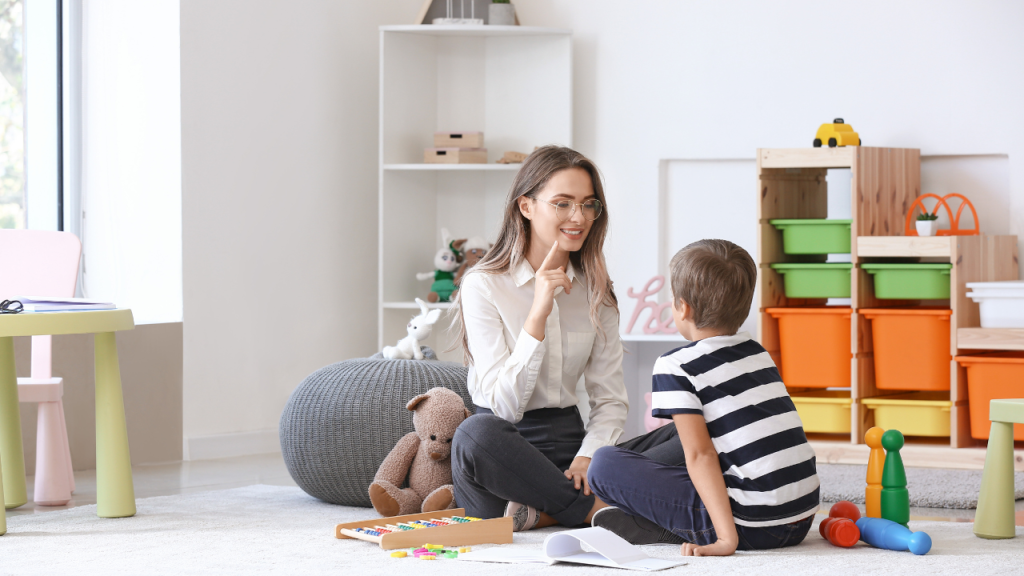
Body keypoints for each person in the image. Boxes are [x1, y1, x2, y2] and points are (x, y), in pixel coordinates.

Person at [449, 146, 681, 532]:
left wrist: (589, 456)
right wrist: (537, 313)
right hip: (505, 455)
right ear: (526, 206)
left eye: (588, 204)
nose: (579, 217)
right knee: (474, 434)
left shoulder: (595, 291)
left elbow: (609, 399)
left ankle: (549, 512)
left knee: (696, 428)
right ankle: (594, 512)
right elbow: (503, 407)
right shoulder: (483, 285)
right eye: (562, 203)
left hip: (573, 455)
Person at [586, 239, 820, 556]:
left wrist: (726, 539)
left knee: (603, 465)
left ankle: (667, 527)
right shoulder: (758, 353)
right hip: (801, 517)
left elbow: (701, 456)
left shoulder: (675, 366)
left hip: (754, 525)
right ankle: (651, 520)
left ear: (683, 308)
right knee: (680, 435)